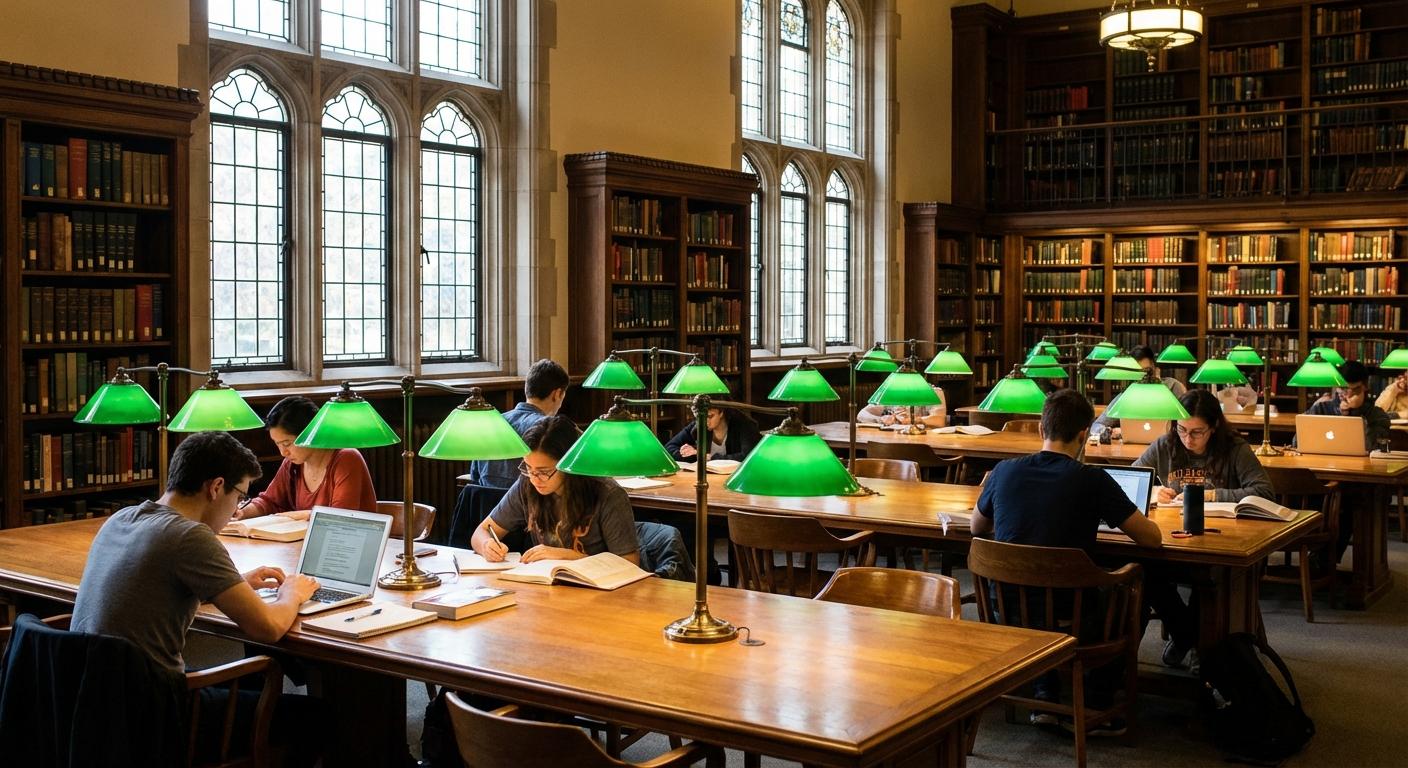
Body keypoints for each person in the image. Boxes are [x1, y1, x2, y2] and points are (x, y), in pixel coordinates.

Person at [71, 431, 321, 762]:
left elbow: (152, 588)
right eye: (240, 496)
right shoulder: (191, 537)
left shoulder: (122, 519)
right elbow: (268, 628)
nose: (236, 509)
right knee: (316, 717)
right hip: (155, 712)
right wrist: (292, 592)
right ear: (216, 487)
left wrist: (234, 583)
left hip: (94, 699)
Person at [973, 389, 1161, 736]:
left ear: (1041, 429)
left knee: (1039, 594)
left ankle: (1045, 693)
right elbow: (1151, 539)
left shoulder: (1004, 471)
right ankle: (1096, 701)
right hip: (1070, 616)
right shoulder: (1093, 479)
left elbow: (976, 527)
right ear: (1083, 435)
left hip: (1007, 609)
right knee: (1140, 588)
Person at [1132, 388, 1273, 670]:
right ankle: (1191, 638)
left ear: (1214, 427)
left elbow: (1264, 491)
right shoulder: (1165, 445)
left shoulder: (1235, 449)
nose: (1188, 439)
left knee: (1207, 575)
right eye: (1182, 429)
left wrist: (1213, 495)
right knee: (1145, 572)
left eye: (1197, 432)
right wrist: (1155, 490)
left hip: (1224, 542)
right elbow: (1132, 479)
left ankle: (1197, 645)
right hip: (1174, 539)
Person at [471, 415, 640, 565]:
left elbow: (630, 563)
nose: (534, 478)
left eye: (544, 472)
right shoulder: (527, 483)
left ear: (568, 464)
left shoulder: (608, 494)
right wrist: (487, 545)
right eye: (528, 468)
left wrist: (569, 556)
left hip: (600, 587)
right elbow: (481, 531)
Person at [234, 395, 377, 521]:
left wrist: (293, 516)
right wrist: (241, 512)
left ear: (309, 434)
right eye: (278, 444)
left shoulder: (347, 459)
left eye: (287, 444)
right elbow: (269, 501)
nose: (283, 452)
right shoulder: (292, 464)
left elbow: (338, 518)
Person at [468, 358, 569, 488]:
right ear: (557, 394)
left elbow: (475, 478)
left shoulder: (492, 423)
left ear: (526, 388)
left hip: (486, 500)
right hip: (529, 500)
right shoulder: (550, 429)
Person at [1302, 360, 1392, 450]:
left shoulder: (1378, 416)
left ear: (1365, 387)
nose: (1346, 394)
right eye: (1342, 388)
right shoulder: (1320, 409)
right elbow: (1298, 441)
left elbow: (1376, 448)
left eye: (1353, 389)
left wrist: (1355, 414)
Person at [1098, 346, 1188, 434]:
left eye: (1147, 371)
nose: (1144, 377)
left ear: (1155, 368)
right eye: (1138, 373)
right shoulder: (1128, 394)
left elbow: (1189, 424)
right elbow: (1098, 425)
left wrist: (1158, 385)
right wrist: (1110, 432)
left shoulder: (1173, 386)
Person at [664, 406, 762, 461]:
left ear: (721, 413)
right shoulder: (699, 424)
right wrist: (690, 453)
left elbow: (748, 456)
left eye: (710, 416)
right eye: (700, 416)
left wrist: (708, 457)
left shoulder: (743, 425)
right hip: (709, 478)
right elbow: (668, 448)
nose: (704, 421)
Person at [857, 385, 948, 428]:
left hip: (925, 444)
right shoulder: (892, 392)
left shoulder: (934, 392)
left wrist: (913, 420)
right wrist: (881, 419)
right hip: (894, 443)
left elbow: (939, 421)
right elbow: (861, 414)